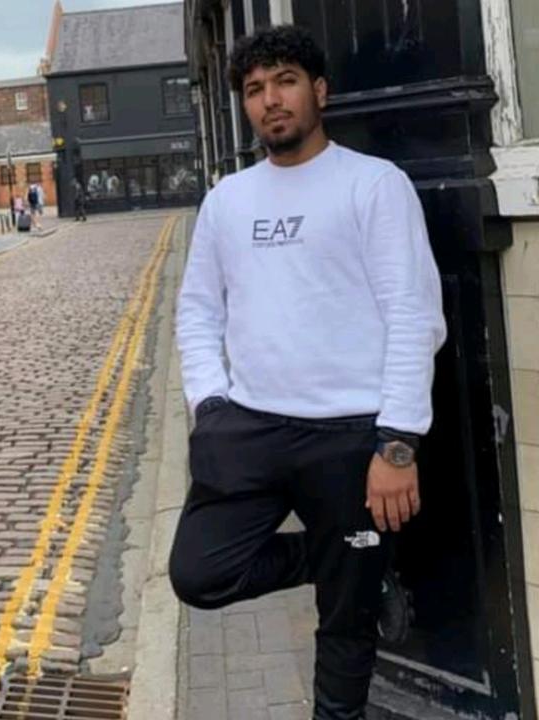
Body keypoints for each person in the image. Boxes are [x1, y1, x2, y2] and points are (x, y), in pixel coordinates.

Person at [170, 25, 446, 720]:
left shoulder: (373, 185)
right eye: (254, 89)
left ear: (318, 91)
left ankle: (347, 615)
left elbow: (413, 315)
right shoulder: (228, 200)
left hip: (350, 436)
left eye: (285, 82)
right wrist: (209, 405)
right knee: (200, 573)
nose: (270, 100)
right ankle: (336, 558)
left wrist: (397, 443)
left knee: (346, 625)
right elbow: (197, 311)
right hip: (250, 428)